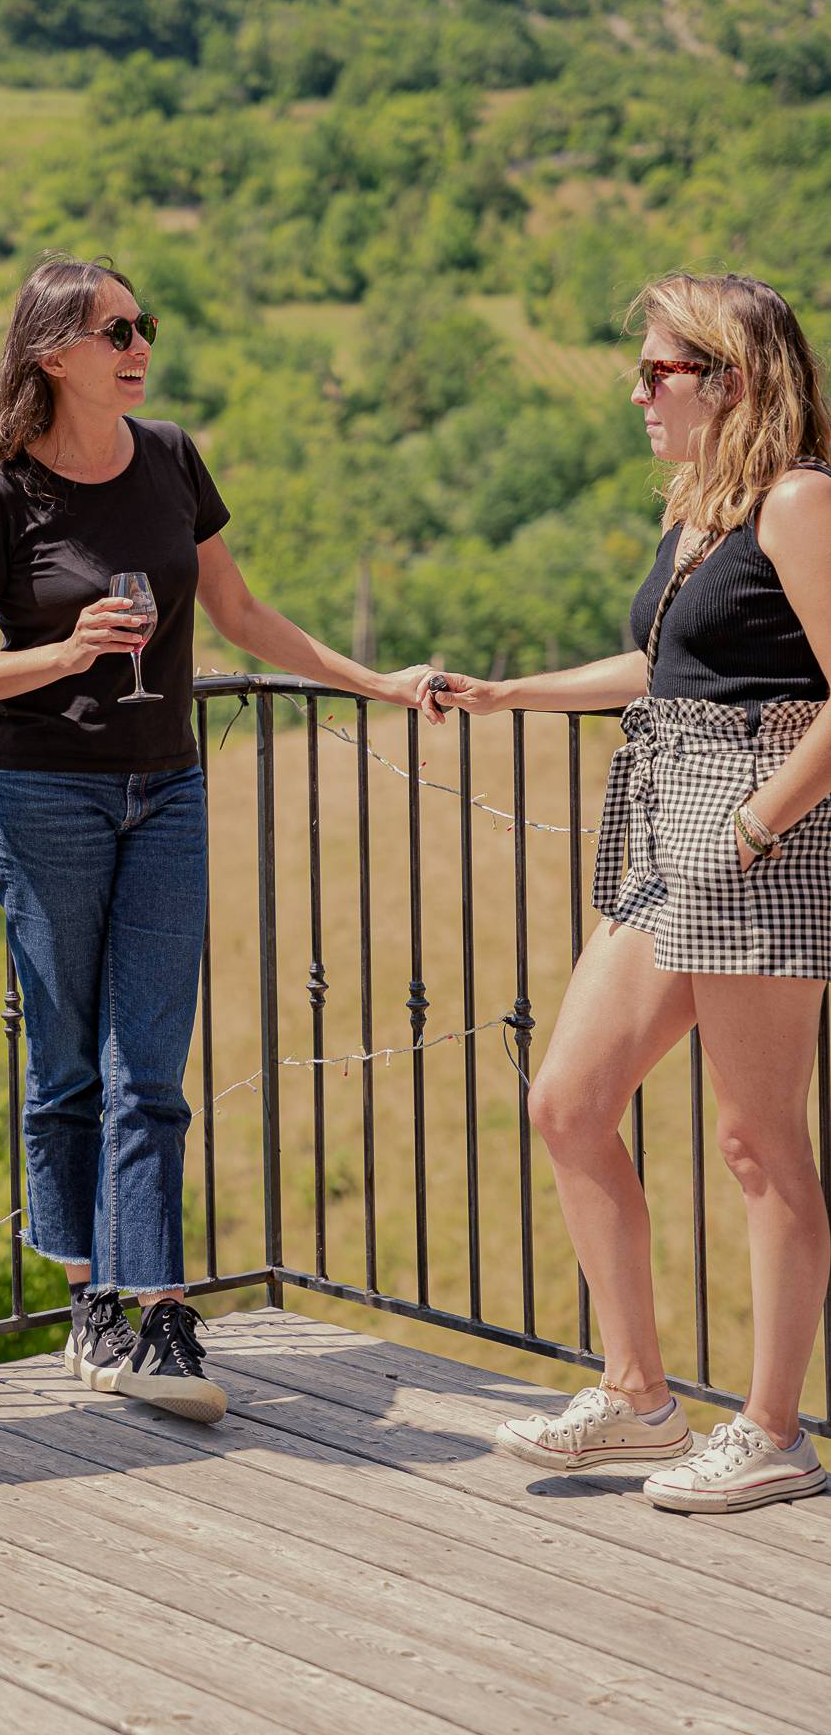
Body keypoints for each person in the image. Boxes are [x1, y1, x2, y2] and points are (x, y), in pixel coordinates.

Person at [0, 252, 443, 1423]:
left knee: (145, 1069)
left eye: (142, 324)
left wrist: (375, 681)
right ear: (53, 351)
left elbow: (242, 612)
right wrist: (63, 653)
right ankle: (86, 1291)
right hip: (46, 793)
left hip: (165, 788)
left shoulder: (168, 458)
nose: (138, 343)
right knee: (63, 1063)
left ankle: (159, 1309)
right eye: (116, 328)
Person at [419, 271, 831, 1513]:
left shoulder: (799, 500)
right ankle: (640, 1395)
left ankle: (771, 1430)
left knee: (759, 1146)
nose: (637, 389)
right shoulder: (704, 510)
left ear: (732, 379)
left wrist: (754, 826)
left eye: (659, 370)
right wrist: (504, 693)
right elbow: (663, 665)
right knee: (568, 1097)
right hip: (667, 827)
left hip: (759, 829)